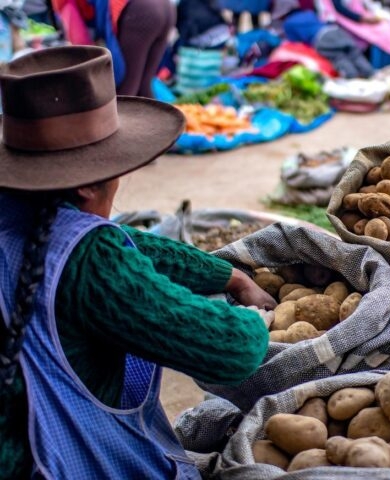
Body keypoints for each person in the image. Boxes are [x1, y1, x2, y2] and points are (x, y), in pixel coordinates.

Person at [0, 45, 275, 479]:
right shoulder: (90, 264)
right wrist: (256, 322)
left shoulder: (21, 216)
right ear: (91, 183)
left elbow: (130, 243)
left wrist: (229, 275)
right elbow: (231, 352)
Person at [51, 0, 175, 97]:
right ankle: (159, 129)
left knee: (125, 90)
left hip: (142, 10)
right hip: (166, 8)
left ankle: (126, 129)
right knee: (143, 87)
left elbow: (81, 44)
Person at [276, 0, 374, 78]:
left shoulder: (288, 24)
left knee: (339, 58)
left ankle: (352, 79)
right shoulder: (308, 13)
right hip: (336, 30)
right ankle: (370, 74)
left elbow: (297, 45)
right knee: (354, 54)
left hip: (322, 39)